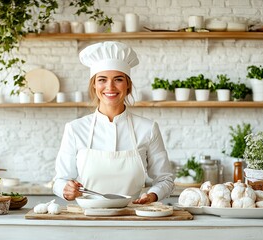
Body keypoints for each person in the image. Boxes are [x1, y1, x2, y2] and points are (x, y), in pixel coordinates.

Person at [53, 41, 174, 204]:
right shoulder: (75, 129)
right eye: (102, 80)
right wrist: (65, 190)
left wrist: (152, 195)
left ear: (128, 85)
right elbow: (60, 180)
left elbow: (165, 179)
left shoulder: (148, 129)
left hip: (133, 217)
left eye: (118, 79)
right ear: (94, 85)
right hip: (88, 218)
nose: (110, 87)